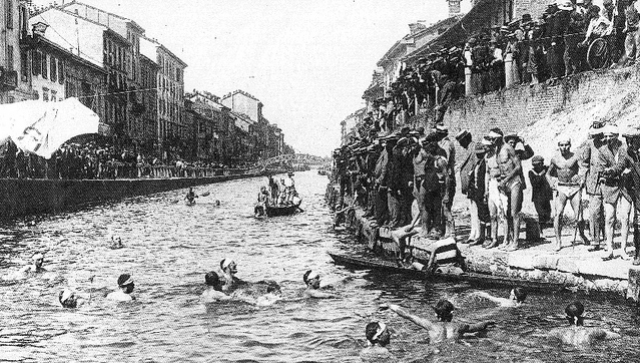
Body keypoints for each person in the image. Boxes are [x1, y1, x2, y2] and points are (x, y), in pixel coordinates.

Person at [381, 300, 495, 343]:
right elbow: (477, 326)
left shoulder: (430, 326)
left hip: (435, 353)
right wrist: (488, 322)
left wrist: (390, 305)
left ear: (436, 314)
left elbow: (408, 315)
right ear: (451, 314)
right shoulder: (460, 326)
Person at [547, 137, 587, 252]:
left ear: (570, 145)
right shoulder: (555, 159)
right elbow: (548, 174)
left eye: (566, 145)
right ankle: (558, 241)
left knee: (579, 217)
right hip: (562, 187)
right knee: (558, 215)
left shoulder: (575, 157)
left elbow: (583, 169)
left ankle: (582, 234)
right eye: (561, 145)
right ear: (558, 146)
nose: (564, 148)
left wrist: (582, 179)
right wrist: (551, 184)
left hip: (574, 187)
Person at [598, 125, 628, 261]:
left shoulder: (625, 148)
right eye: (606, 136)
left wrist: (613, 170)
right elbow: (603, 170)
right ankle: (609, 248)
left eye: (611, 136)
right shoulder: (602, 151)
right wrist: (616, 171)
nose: (608, 138)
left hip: (625, 186)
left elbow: (627, 164)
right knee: (609, 217)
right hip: (610, 187)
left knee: (625, 217)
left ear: (617, 136)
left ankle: (623, 249)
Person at [548, 301, 620, 345]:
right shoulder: (593, 332)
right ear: (583, 315)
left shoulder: (557, 332)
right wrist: (613, 329)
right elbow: (617, 336)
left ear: (566, 316)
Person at [529, 155, 553, 225]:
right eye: (536, 165)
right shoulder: (531, 172)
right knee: (540, 212)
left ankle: (546, 226)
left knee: (548, 211)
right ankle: (541, 228)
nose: (539, 166)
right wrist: (541, 174)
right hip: (537, 196)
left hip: (546, 195)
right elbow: (534, 183)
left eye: (540, 164)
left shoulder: (546, 169)